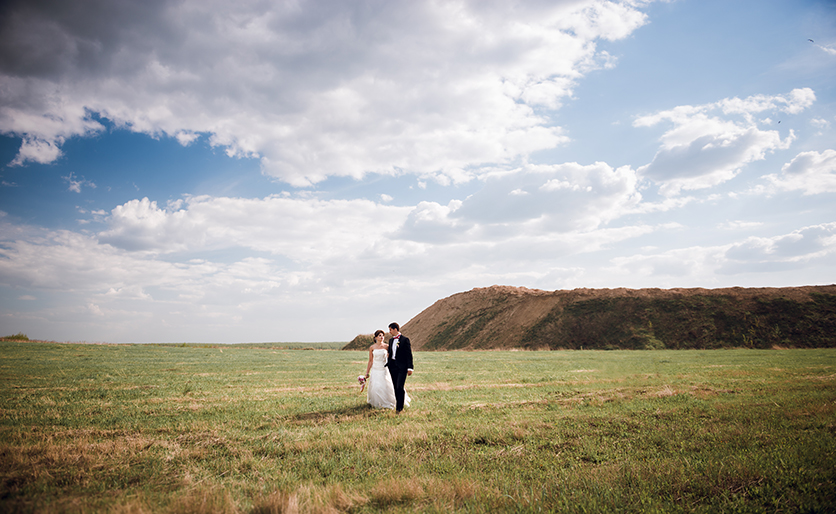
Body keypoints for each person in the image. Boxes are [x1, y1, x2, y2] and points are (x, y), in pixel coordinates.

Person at [363, 330, 410, 410]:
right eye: (380, 336)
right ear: (376, 337)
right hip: (375, 368)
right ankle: (377, 403)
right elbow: (370, 361)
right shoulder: (372, 347)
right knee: (376, 386)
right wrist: (367, 372)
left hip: (384, 368)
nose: (381, 337)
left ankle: (391, 401)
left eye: (382, 336)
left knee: (387, 385)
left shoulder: (387, 346)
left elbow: (393, 355)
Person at [386, 322, 413, 413]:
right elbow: (391, 352)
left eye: (390, 330)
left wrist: (410, 367)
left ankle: (399, 408)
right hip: (392, 367)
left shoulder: (405, 340)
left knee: (399, 387)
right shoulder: (390, 341)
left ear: (395, 329)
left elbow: (409, 354)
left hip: (402, 367)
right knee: (395, 387)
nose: (389, 332)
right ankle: (398, 405)